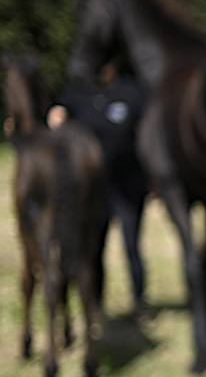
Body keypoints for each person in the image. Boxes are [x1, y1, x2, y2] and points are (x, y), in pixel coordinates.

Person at [49, 65, 150, 315]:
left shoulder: (132, 92)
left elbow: (148, 133)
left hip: (129, 185)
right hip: (92, 189)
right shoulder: (77, 93)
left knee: (132, 244)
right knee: (95, 246)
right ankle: (96, 302)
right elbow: (56, 121)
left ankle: (139, 300)